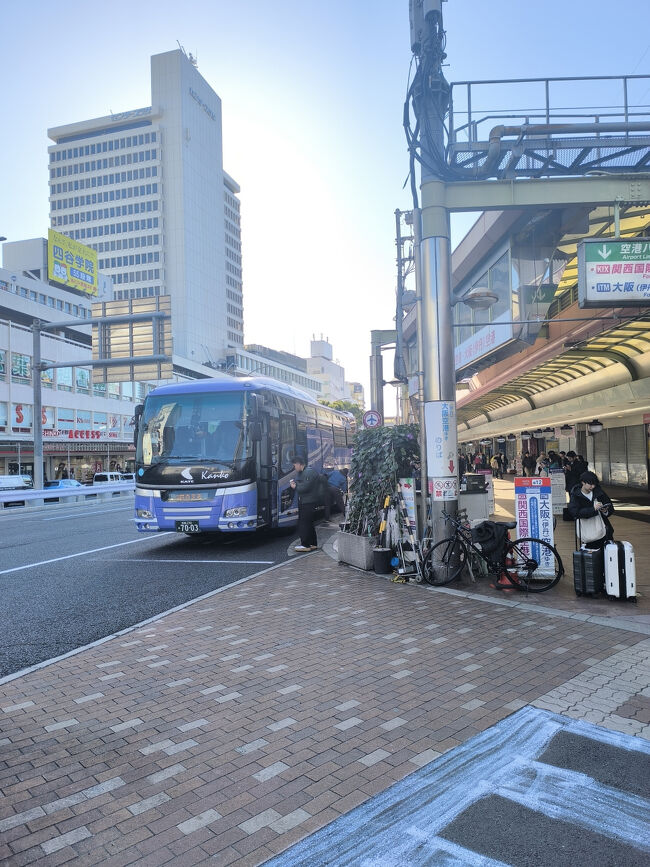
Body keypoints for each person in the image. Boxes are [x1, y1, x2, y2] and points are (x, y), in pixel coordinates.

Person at [568, 470, 615, 548]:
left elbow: (610, 507)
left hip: (603, 530)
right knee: (591, 555)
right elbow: (575, 512)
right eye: (590, 484)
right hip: (587, 531)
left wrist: (605, 511)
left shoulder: (599, 493)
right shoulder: (576, 495)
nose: (592, 486)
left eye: (594, 484)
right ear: (583, 482)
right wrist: (593, 509)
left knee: (606, 554)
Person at [289, 455, 320, 552]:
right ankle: (313, 543)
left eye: (295, 465)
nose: (295, 468)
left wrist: (295, 487)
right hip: (307, 501)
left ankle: (305, 544)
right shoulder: (305, 472)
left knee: (304, 523)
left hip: (307, 501)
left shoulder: (308, 472)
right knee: (309, 523)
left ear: (299, 464)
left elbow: (305, 488)